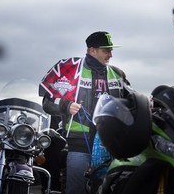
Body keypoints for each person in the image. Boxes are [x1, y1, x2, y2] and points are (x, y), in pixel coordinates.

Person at [39, 31, 132, 194]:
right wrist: (65, 105)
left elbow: (132, 102)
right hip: (78, 144)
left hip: (110, 144)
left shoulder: (118, 74)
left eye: (111, 50)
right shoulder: (69, 69)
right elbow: (46, 103)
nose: (111, 54)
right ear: (92, 50)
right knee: (75, 190)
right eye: (106, 50)